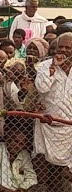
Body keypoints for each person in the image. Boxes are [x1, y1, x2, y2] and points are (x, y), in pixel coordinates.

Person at [33, 33, 72, 168]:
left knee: (66, 172)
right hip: (47, 126)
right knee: (43, 167)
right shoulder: (45, 65)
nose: (64, 50)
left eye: (68, 47)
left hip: (69, 128)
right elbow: (42, 88)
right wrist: (53, 68)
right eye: (60, 47)